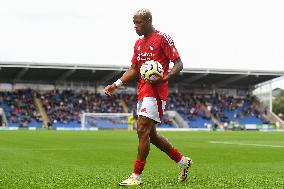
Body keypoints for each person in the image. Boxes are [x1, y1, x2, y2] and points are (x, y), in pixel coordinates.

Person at [104, 8, 192, 186]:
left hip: (156, 93)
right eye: (134, 23)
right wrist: (116, 85)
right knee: (151, 135)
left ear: (149, 20)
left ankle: (136, 176)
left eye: (139, 23)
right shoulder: (138, 44)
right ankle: (182, 161)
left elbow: (179, 63)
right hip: (143, 92)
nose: (135, 26)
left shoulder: (162, 38)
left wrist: (165, 77)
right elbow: (134, 69)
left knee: (142, 130)